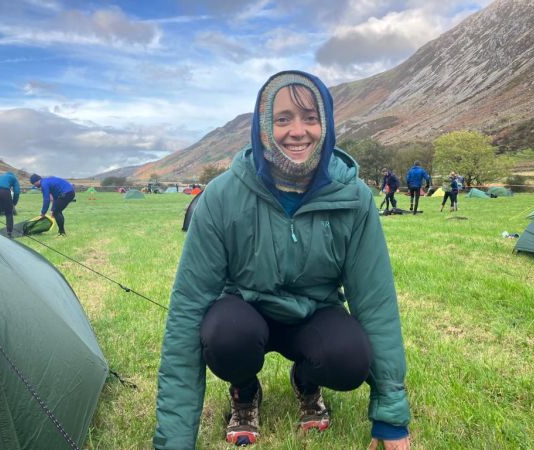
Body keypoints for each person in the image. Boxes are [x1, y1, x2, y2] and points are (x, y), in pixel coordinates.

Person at [154, 70, 410, 450]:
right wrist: (173, 442)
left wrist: (391, 416)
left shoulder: (354, 199)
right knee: (225, 336)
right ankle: (244, 390)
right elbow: (188, 308)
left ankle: (307, 380)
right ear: (261, 129)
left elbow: (376, 302)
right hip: (243, 312)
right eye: (282, 118)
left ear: (326, 126)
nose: (298, 131)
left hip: (314, 313)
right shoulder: (222, 197)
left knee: (349, 357)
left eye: (310, 118)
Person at [0, 172, 20, 237]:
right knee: (9, 213)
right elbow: (17, 192)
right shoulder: (14, 178)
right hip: (4, 191)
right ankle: (9, 233)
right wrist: (14, 203)